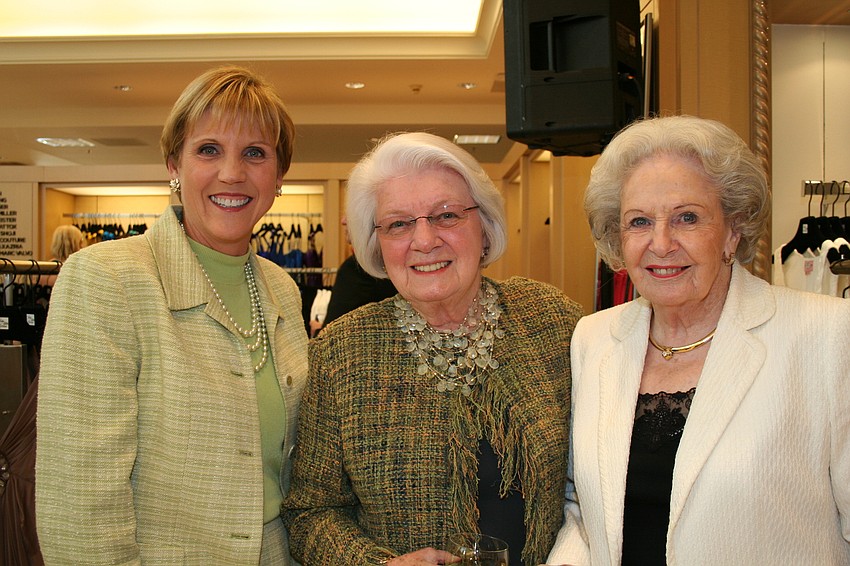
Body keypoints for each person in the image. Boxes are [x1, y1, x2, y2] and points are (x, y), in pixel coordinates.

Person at [547, 115, 850, 565]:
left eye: (687, 218)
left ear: (733, 230)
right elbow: (582, 510)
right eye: (639, 221)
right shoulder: (594, 339)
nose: (662, 243)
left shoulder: (828, 335)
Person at [35, 66, 308, 565]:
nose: (232, 173)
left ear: (279, 177)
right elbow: (79, 506)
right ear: (173, 165)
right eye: (208, 150)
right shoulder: (106, 279)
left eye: (255, 152)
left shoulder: (283, 290)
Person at [283, 131, 583, 566]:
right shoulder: (342, 352)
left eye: (445, 216)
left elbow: (598, 485)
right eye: (399, 224)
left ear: (485, 228)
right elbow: (310, 512)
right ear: (377, 245)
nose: (423, 241)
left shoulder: (553, 322)